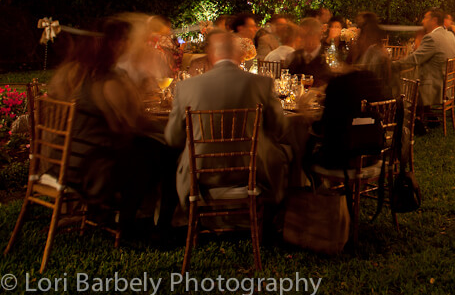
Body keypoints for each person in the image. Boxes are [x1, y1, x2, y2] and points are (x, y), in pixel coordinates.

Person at [49, 18, 176, 237]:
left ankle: (137, 220)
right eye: (127, 41)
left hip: (66, 158)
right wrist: (170, 128)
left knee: (149, 150)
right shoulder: (107, 79)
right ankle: (149, 225)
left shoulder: (84, 72)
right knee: (163, 154)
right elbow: (130, 124)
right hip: (90, 168)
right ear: (116, 43)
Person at [165, 30, 290, 204]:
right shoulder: (261, 84)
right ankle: (271, 223)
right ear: (239, 54)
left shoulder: (186, 87)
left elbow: (172, 138)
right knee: (283, 154)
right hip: (252, 172)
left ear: (211, 54)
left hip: (200, 175)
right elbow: (280, 129)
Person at [391, 8, 455, 108]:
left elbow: (414, 59)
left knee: (399, 82)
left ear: (434, 20)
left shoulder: (432, 38)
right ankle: (419, 115)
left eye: (425, 18)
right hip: (448, 86)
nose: (423, 21)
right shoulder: (450, 35)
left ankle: (400, 114)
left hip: (434, 88)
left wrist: (393, 65)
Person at [348, 13, 393, 98]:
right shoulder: (364, 50)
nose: (357, 31)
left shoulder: (376, 53)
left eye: (360, 27)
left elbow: (367, 79)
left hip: (372, 100)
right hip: (365, 95)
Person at [285, 18, 333, 84]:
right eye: (301, 35)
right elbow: (288, 81)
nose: (302, 39)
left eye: (308, 35)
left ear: (319, 35)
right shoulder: (295, 57)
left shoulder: (328, 56)